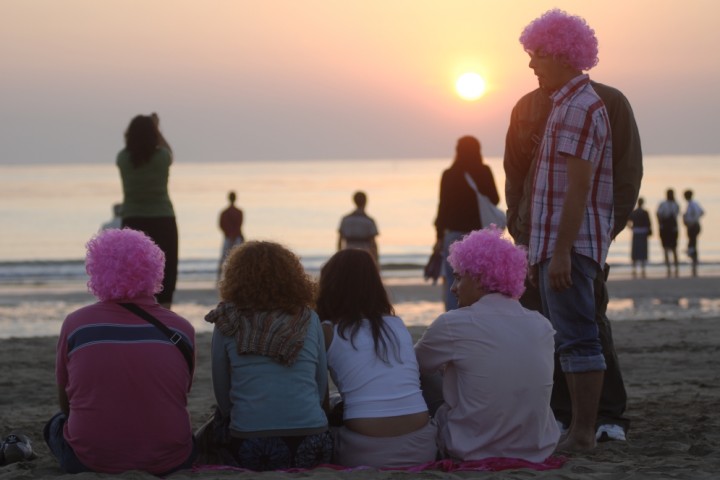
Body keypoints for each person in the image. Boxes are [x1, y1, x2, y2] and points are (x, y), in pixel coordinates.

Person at [504, 13, 642, 442]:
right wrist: (520, 230)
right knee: (550, 329)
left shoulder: (599, 104)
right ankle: (564, 416)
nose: (531, 64)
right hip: (539, 239)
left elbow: (616, 177)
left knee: (586, 328)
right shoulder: (531, 106)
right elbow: (518, 174)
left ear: (563, 53)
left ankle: (603, 418)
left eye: (538, 54)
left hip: (572, 241)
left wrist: (595, 236)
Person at [43, 229, 196, 475]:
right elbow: (180, 393)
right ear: (154, 269)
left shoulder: (76, 325)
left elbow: (66, 403)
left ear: (97, 269)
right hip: (171, 460)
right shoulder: (181, 328)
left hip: (91, 461)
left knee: (54, 425)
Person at [414, 227, 559, 462]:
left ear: (481, 279)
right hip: (536, 449)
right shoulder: (541, 324)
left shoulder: (454, 323)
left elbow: (414, 366)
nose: (453, 288)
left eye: (459, 277)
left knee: (419, 373)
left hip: (472, 448)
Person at [204, 241, 332, 471]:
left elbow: (222, 390)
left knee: (211, 429)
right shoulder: (308, 317)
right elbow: (321, 383)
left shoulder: (227, 319)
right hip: (312, 442)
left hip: (249, 444)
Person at [316, 249, 437, 468]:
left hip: (364, 451)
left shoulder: (328, 331)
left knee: (333, 405)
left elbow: (317, 395)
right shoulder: (395, 324)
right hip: (423, 447)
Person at [117, 112, 178, 308]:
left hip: (133, 220)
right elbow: (170, 153)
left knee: (134, 271)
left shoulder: (122, 158)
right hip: (163, 219)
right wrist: (157, 128)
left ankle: (136, 314)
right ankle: (165, 310)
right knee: (165, 271)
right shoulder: (162, 157)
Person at [434, 136, 500, 311]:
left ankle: (453, 320)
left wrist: (439, 237)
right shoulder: (484, 171)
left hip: (453, 236)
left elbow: (442, 208)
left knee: (453, 281)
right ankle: (479, 317)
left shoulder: (449, 174)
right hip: (479, 237)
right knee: (481, 282)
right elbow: (495, 198)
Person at [337, 191, 379, 264]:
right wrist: (376, 260)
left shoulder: (345, 219)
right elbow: (373, 244)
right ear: (365, 202)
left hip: (348, 254)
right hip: (365, 255)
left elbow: (339, 241)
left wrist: (339, 257)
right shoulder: (369, 220)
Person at [217, 190, 244, 280]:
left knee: (224, 258)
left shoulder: (224, 212)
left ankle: (220, 278)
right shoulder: (239, 212)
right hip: (235, 237)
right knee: (238, 258)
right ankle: (235, 276)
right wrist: (234, 235)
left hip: (229, 237)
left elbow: (221, 225)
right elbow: (239, 225)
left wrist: (229, 234)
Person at [657, 189, 680, 278]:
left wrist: (660, 225)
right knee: (674, 248)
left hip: (665, 228)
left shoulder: (663, 204)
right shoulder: (675, 204)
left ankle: (669, 267)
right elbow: (677, 215)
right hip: (673, 228)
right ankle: (675, 266)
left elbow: (659, 215)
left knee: (666, 248)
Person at [627, 198, 652, 278]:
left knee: (635, 250)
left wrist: (631, 227)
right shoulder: (645, 212)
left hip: (636, 232)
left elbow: (627, 220)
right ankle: (643, 268)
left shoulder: (634, 212)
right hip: (643, 232)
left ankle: (634, 268)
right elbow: (649, 223)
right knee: (643, 250)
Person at [683, 189, 704, 277]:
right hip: (694, 225)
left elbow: (698, 213)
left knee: (692, 243)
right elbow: (702, 212)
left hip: (693, 226)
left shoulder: (692, 204)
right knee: (693, 243)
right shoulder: (693, 204)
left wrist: (692, 221)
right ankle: (694, 260)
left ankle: (694, 260)